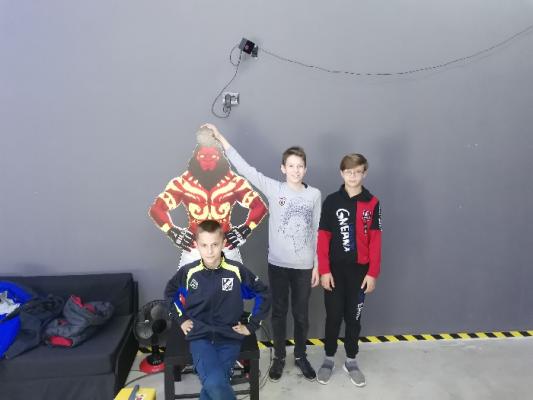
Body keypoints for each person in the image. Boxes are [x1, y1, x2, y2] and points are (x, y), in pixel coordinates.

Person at [208, 123, 321, 382]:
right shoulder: (274, 188)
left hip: (304, 266)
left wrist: (317, 265)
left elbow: (317, 230)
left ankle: (301, 356)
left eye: (300, 166)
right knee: (278, 312)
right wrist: (220, 137)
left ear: (305, 169)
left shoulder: (314, 195)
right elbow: (246, 169)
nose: (295, 170)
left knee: (301, 315)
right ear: (283, 168)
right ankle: (279, 357)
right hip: (278, 264)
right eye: (291, 165)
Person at [164, 220, 271, 400]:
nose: (210, 251)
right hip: (200, 336)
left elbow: (263, 293)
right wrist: (181, 319)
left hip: (229, 336)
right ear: (197, 245)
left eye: (214, 244)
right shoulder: (189, 272)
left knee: (213, 385)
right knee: (215, 383)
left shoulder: (236, 270)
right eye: (204, 245)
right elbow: (170, 293)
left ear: (223, 243)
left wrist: (252, 325)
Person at [149, 126, 268, 268]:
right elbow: (157, 209)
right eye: (203, 157)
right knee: (187, 283)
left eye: (212, 157)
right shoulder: (182, 183)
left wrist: (245, 229)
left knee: (235, 282)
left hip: (226, 246)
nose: (207, 161)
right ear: (196, 157)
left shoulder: (234, 182)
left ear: (220, 158)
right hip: (194, 247)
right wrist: (172, 231)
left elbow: (259, 206)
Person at [316, 153, 382, 387]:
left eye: (358, 172)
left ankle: (351, 360)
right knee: (333, 317)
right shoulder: (331, 201)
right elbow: (323, 238)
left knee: (354, 318)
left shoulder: (372, 203)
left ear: (365, 173)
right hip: (334, 272)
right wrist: (324, 270)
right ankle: (328, 358)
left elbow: (376, 241)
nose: (353, 176)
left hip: (360, 273)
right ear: (341, 173)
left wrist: (372, 273)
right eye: (349, 172)